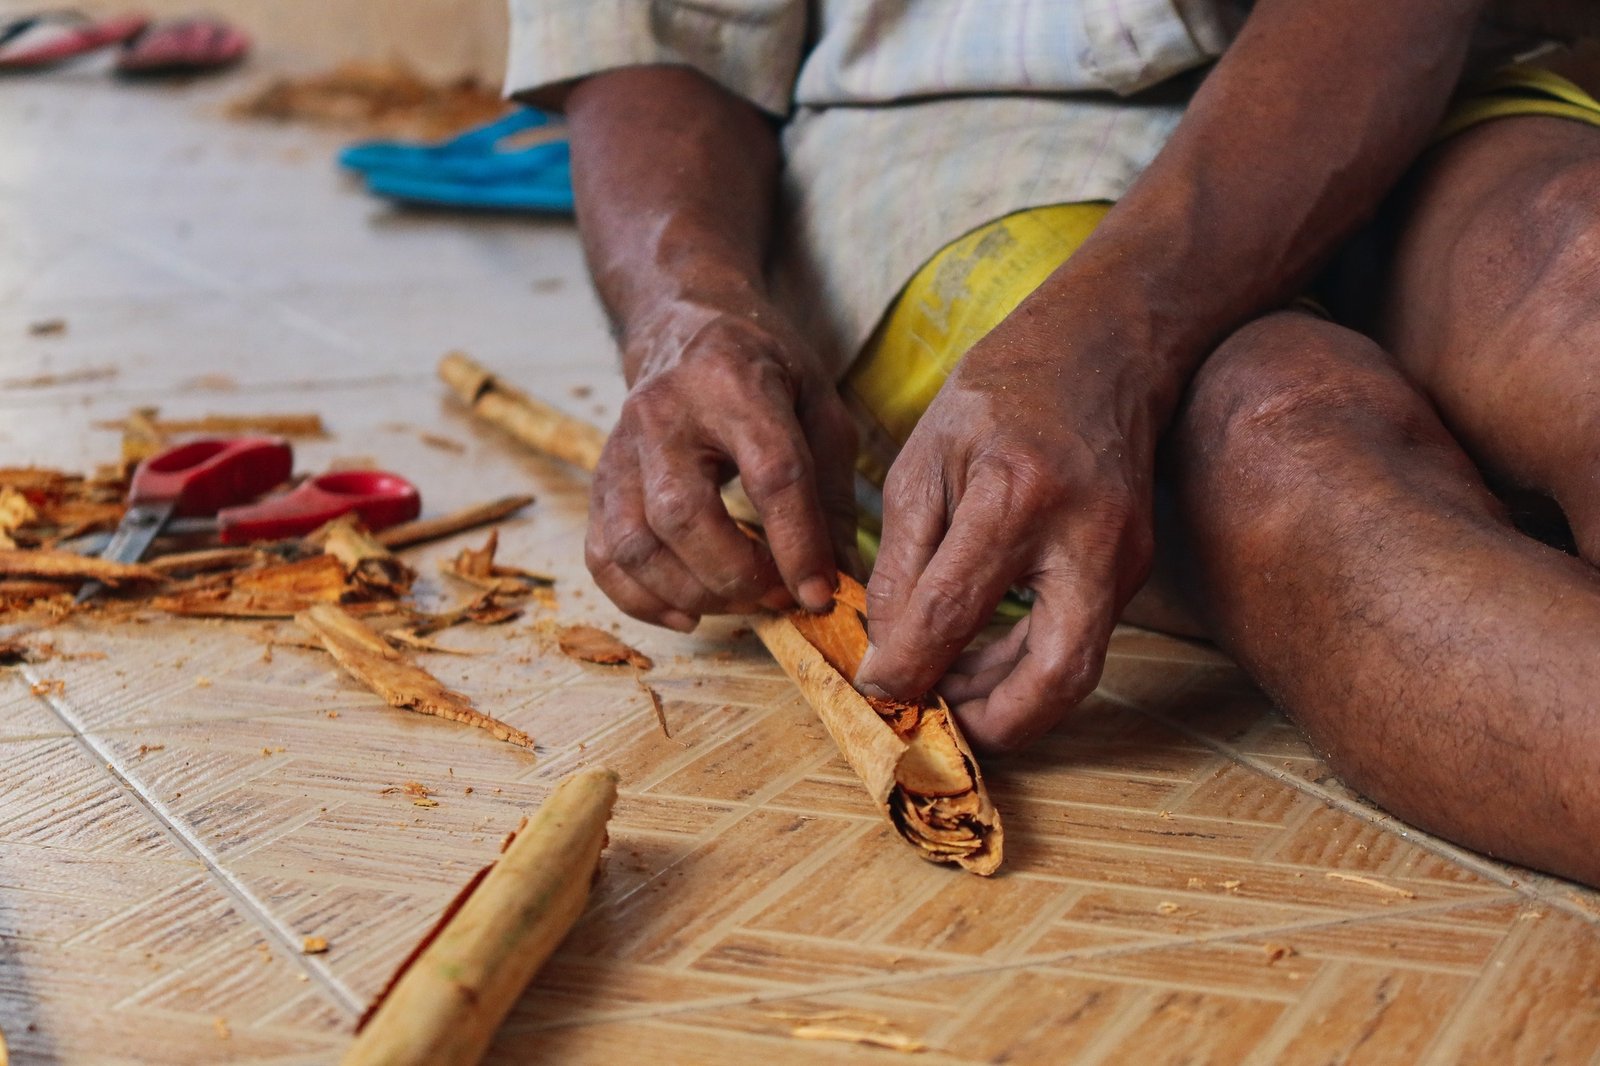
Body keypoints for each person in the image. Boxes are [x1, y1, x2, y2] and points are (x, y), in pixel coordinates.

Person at [505, 1, 1600, 886]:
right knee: (1275, 439)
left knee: (1577, 271)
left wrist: (1109, 336)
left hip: (1392, 48)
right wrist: (685, 311)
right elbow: (649, 33)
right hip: (948, 126)